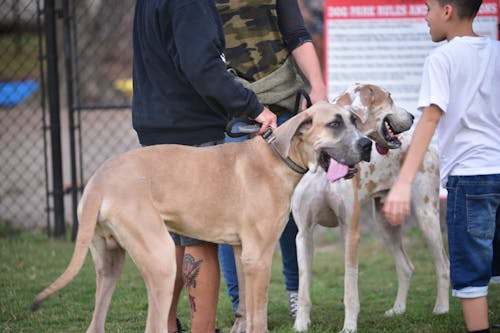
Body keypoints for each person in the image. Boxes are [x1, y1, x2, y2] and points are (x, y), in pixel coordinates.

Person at [131, 1, 278, 332]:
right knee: (199, 238)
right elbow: (203, 67)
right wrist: (253, 107)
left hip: (157, 127)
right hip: (189, 130)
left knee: (176, 240)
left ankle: (165, 327)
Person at [382, 1, 500, 332]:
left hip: (470, 181)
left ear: (447, 11)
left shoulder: (442, 59)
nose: (425, 15)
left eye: (428, 7)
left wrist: (403, 184)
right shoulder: (497, 51)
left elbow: (430, 118)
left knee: (472, 274)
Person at [215, 0, 327, 318]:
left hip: (283, 104)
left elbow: (296, 33)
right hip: (234, 105)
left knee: (289, 208)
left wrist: (318, 88)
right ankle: (242, 307)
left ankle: (295, 294)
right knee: (233, 213)